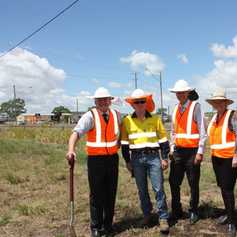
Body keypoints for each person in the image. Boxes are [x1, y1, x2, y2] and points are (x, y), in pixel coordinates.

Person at [66, 87, 121, 237]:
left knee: (111, 192)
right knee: (96, 194)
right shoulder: (89, 116)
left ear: (110, 100)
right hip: (96, 161)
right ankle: (95, 226)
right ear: (95, 101)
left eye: (106, 99)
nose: (103, 102)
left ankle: (108, 224)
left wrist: (120, 144)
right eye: (100, 100)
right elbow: (76, 133)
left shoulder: (117, 115)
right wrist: (71, 150)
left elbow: (121, 133)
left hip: (112, 160)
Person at [121, 89, 170, 233]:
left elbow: (163, 141)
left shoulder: (155, 119)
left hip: (154, 157)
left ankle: (163, 217)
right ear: (133, 105)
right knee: (142, 190)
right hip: (136, 159)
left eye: (143, 101)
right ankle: (147, 215)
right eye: (137, 102)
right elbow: (124, 144)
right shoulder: (127, 121)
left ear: (146, 103)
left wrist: (165, 158)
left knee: (158, 188)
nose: (140, 104)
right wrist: (127, 161)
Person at [168, 80, 207, 224]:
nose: (180, 95)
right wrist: (172, 148)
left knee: (193, 183)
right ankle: (176, 210)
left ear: (188, 93)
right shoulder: (175, 108)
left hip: (192, 151)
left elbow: (203, 130)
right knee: (173, 182)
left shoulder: (196, 107)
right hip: (178, 151)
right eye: (178, 93)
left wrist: (200, 151)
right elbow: (173, 131)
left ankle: (193, 211)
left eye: (182, 92)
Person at [206, 88, 237, 237]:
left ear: (225, 102)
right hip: (217, 158)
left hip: (229, 158)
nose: (218, 104)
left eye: (220, 101)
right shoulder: (214, 118)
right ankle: (228, 214)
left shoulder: (232, 115)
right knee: (222, 187)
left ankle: (232, 222)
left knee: (228, 189)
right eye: (215, 102)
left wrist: (236, 155)